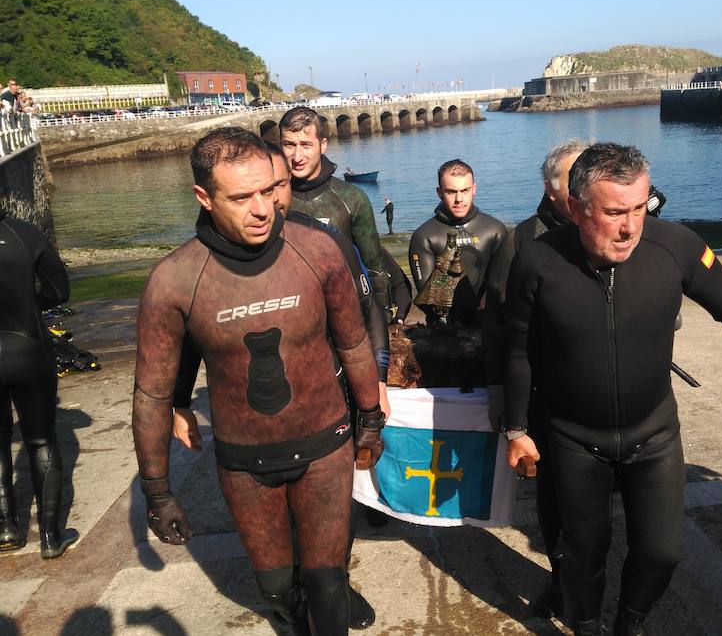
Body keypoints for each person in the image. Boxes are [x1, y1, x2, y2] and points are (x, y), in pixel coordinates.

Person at [502, 143, 722, 636]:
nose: (629, 227)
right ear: (578, 207)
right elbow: (517, 348)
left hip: (654, 434)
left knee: (662, 553)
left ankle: (630, 623)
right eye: (613, 213)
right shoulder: (537, 262)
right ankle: (585, 628)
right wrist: (516, 428)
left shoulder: (677, 246)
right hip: (573, 437)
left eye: (638, 208)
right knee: (582, 552)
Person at [132, 127, 385, 635]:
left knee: (327, 581)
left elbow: (354, 341)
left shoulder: (319, 250)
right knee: (275, 586)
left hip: (325, 446)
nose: (262, 209)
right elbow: (152, 392)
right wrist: (158, 492)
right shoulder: (175, 280)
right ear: (204, 198)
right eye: (241, 197)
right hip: (246, 464)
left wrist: (371, 420)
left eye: (268, 190)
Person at [482, 139, 588, 619]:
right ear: (551, 188)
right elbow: (497, 323)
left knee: (594, 500)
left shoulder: (606, 231)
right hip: (544, 393)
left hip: (600, 391)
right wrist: (500, 393)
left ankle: (581, 576)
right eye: (575, 178)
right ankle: (563, 579)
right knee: (554, 497)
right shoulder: (521, 240)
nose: (587, 185)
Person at [0, 197, 78, 559]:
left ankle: (5, 527)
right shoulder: (25, 234)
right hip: (28, 349)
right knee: (41, 441)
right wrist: (28, 299)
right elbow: (58, 292)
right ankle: (50, 537)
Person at [278, 107, 389, 313]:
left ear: (323, 145)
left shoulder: (352, 199)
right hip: (289, 310)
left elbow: (374, 267)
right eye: (289, 145)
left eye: (306, 145)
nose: (297, 155)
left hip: (344, 310)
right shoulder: (270, 198)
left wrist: (382, 316)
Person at [408, 159, 507, 317]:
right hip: (443, 328)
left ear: (474, 189)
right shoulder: (424, 236)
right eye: (451, 192)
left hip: (488, 320)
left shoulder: (495, 230)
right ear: (439, 192)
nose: (459, 199)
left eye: (465, 190)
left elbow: (504, 283)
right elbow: (426, 296)